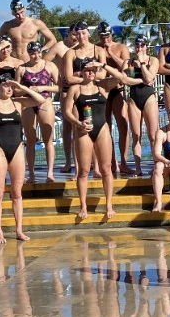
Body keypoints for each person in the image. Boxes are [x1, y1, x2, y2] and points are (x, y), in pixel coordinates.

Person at [0, 73, 46, 244]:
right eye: (5, 85)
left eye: (11, 86)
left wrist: (21, 87)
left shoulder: (18, 102)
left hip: (16, 150)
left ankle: (19, 230)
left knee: (17, 193)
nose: (9, 89)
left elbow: (40, 100)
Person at [62, 57, 115, 219]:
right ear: (81, 72)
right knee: (84, 171)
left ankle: (109, 204)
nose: (90, 73)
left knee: (106, 169)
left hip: (102, 130)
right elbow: (66, 112)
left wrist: (102, 65)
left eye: (93, 70)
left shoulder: (103, 86)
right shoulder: (75, 89)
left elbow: (121, 78)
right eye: (87, 70)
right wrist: (78, 123)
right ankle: (83, 205)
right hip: (83, 131)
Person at [15, 41, 59, 183]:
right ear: (28, 53)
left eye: (38, 52)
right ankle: (31, 173)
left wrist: (42, 88)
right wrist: (28, 90)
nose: (36, 56)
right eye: (33, 53)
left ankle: (50, 172)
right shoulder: (22, 69)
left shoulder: (50, 66)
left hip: (45, 103)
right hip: (28, 104)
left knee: (48, 139)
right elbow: (16, 89)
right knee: (30, 139)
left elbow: (59, 87)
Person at [44, 23, 82, 173]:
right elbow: (45, 63)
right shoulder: (60, 47)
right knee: (68, 127)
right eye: (73, 34)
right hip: (66, 89)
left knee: (80, 126)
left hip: (82, 88)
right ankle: (68, 162)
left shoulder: (82, 47)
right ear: (68, 34)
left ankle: (83, 162)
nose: (75, 38)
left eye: (78, 35)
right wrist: (57, 78)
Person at [95, 21, 132, 175]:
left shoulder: (121, 48)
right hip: (102, 91)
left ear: (112, 34)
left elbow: (127, 68)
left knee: (123, 125)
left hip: (117, 91)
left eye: (108, 36)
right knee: (106, 129)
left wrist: (110, 54)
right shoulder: (95, 49)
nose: (105, 39)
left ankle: (123, 162)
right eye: (102, 36)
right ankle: (111, 163)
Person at [124, 35, 160, 177]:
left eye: (142, 45)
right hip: (133, 99)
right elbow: (125, 79)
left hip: (149, 98)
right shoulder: (129, 62)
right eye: (137, 46)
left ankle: (156, 165)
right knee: (136, 135)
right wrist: (141, 80)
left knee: (152, 136)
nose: (139, 48)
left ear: (146, 46)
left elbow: (150, 78)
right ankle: (138, 168)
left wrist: (142, 65)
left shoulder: (153, 60)